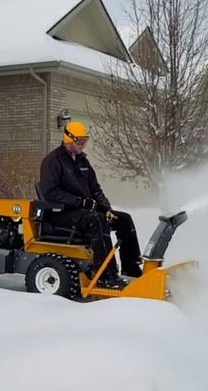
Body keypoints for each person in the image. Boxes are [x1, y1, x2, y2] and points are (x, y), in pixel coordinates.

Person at [38, 121, 143, 289]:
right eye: (80, 141)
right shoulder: (52, 161)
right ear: (68, 139)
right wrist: (80, 202)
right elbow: (50, 192)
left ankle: (131, 267)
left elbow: (95, 188)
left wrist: (106, 208)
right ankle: (105, 275)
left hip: (84, 210)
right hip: (61, 213)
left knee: (123, 219)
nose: (83, 145)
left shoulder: (82, 162)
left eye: (84, 141)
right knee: (98, 221)